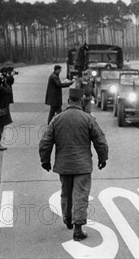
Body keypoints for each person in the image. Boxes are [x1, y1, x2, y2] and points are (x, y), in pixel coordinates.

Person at [39, 88, 108, 242]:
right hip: (82, 165)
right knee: (81, 195)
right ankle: (78, 229)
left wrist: (45, 160)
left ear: (68, 101)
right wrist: (102, 158)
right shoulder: (88, 119)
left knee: (66, 191)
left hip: (64, 165)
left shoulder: (57, 119)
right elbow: (100, 140)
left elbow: (45, 141)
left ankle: (67, 218)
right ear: (81, 102)